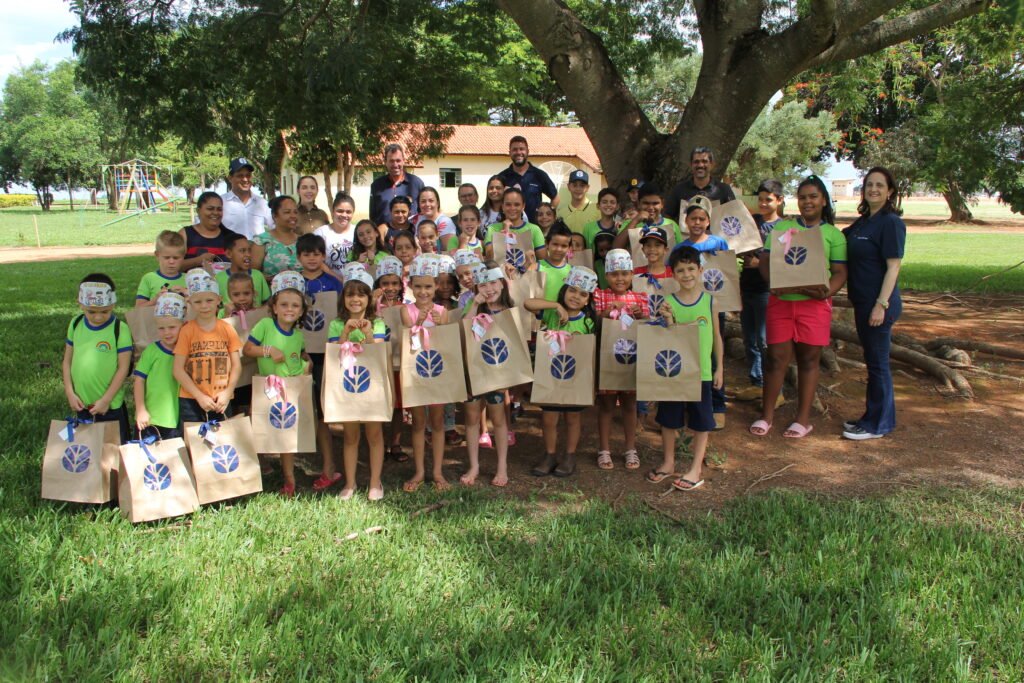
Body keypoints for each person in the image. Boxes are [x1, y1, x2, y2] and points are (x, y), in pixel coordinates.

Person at [751, 175, 848, 439]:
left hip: (814, 306)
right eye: (803, 197)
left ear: (823, 200)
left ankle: (802, 419)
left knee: (808, 360)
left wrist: (828, 290)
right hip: (781, 304)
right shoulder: (783, 231)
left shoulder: (832, 235)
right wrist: (774, 282)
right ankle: (767, 415)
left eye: (813, 196)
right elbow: (765, 262)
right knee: (775, 359)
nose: (807, 201)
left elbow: (839, 271)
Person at [648, 246, 724, 492]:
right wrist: (668, 319)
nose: (687, 274)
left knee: (701, 420)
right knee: (669, 418)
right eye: (681, 270)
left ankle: (695, 468)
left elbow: (716, 337)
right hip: (675, 372)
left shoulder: (710, 300)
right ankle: (669, 462)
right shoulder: (668, 302)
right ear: (673, 274)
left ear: (700, 270)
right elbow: (669, 337)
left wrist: (719, 368)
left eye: (691, 269)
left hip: (701, 371)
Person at [842, 166, 906, 441]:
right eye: (869, 185)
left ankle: (878, 425)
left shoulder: (890, 223)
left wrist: (881, 304)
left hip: (879, 305)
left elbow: (893, 267)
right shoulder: (863, 223)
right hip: (862, 302)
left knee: (879, 364)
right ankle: (871, 416)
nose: (873, 189)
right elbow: (836, 240)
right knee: (872, 362)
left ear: (890, 191)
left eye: (880, 185)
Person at [524, 265, 599, 478]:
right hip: (550, 378)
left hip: (575, 379)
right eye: (572, 290)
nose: (576, 296)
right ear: (564, 290)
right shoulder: (551, 313)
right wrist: (555, 305)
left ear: (588, 299)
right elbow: (527, 303)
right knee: (549, 418)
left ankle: (570, 455)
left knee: (573, 418)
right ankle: (549, 454)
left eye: (583, 294)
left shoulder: (588, 321)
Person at [242, 272, 311, 496]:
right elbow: (247, 350)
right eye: (284, 304)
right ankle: (254, 470)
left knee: (286, 433)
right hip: (265, 389)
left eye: (294, 306)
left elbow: (301, 356)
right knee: (257, 426)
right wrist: (269, 351)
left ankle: (289, 478)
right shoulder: (264, 325)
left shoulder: (298, 335)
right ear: (274, 307)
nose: (289, 309)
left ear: (301, 311)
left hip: (288, 390)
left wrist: (306, 363)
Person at [326, 269, 389, 500]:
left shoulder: (378, 322)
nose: (355, 299)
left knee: (374, 434)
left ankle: (375, 483)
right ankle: (350, 484)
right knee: (350, 436)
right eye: (350, 295)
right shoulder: (336, 324)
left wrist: (368, 334)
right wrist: (345, 332)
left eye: (361, 295)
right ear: (343, 299)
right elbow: (333, 353)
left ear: (369, 298)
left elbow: (378, 351)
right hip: (346, 387)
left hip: (370, 386)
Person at [460, 261, 515, 487]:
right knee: (471, 419)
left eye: (493, 282)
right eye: (483, 284)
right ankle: (474, 465)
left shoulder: (510, 310)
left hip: (498, 374)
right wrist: (475, 304)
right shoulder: (475, 306)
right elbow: (464, 327)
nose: (488, 288)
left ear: (502, 284)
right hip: (474, 372)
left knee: (499, 420)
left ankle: (502, 467)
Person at [593, 249, 649, 471]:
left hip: (631, 361)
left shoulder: (640, 298)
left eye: (625, 273)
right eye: (614, 274)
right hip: (608, 359)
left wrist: (641, 315)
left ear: (632, 275)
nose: (620, 278)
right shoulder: (600, 296)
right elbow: (595, 325)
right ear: (606, 276)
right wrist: (606, 314)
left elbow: (648, 328)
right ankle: (604, 449)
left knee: (630, 404)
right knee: (606, 405)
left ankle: (630, 448)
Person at [400, 256, 451, 492]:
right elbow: (407, 341)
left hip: (438, 374)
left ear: (436, 287)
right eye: (418, 286)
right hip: (417, 375)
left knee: (438, 422)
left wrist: (440, 326)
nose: (423, 292)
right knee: (419, 423)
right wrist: (417, 322)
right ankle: (419, 470)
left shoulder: (443, 311)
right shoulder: (406, 311)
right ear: (411, 286)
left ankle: (438, 471)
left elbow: (445, 344)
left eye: (428, 286)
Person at [63, 275, 133, 442]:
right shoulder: (75, 323)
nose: (98, 317)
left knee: (114, 451)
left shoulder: (120, 329)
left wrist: (106, 400)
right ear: (80, 304)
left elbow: (123, 368)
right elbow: (67, 361)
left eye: (105, 311)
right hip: (81, 403)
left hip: (109, 405)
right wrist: (70, 392)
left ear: (113, 304)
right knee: (86, 450)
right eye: (91, 311)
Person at [173, 269, 242, 425]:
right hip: (191, 399)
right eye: (198, 302)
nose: (204, 306)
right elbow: (178, 369)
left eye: (209, 300)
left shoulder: (227, 328)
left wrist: (228, 392)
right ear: (189, 302)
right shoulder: (186, 331)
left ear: (219, 300)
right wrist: (199, 396)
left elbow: (236, 365)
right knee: (195, 445)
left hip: (221, 399)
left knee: (222, 445)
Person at [738, 180, 785, 396]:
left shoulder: (784, 228)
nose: (764, 203)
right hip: (746, 287)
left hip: (768, 291)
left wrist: (760, 264)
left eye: (769, 199)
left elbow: (789, 262)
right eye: (761, 199)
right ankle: (757, 382)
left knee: (764, 340)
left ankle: (774, 387)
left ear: (779, 200)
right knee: (749, 340)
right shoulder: (752, 222)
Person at [371, 256, 409, 462]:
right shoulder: (371, 306)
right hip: (377, 363)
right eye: (385, 283)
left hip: (398, 363)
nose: (390, 288)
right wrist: (371, 300)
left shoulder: (405, 306)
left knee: (397, 406)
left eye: (395, 283)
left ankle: (395, 442)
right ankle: (378, 443)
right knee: (379, 403)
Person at [133, 293, 186, 440]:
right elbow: (139, 380)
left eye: (172, 327)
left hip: (177, 416)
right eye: (161, 328)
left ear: (183, 325)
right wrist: (141, 409)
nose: (167, 332)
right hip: (152, 417)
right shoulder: (152, 350)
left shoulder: (186, 351)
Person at [663, 147, 737, 223]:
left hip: (715, 234)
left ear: (712, 165)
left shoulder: (724, 189)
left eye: (704, 161)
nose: (700, 165)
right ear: (691, 164)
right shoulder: (679, 190)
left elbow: (735, 216)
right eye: (696, 162)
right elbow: (667, 217)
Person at [496, 135, 559, 223]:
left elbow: (555, 198)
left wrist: (548, 217)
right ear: (510, 152)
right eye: (514, 149)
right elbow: (495, 202)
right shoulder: (502, 177)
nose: (518, 152)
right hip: (510, 229)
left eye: (522, 149)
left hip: (535, 228)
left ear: (527, 151)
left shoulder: (539, 175)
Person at [483, 187, 546, 273]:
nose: (512, 208)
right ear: (503, 206)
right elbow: (490, 258)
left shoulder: (534, 229)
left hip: (526, 281)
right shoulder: (493, 229)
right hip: (501, 282)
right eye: (508, 204)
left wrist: (524, 268)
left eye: (517, 204)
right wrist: (505, 232)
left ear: (523, 206)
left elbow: (542, 261)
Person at [180, 192, 242, 271]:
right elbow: (172, 265)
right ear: (198, 210)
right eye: (210, 209)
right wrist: (197, 261)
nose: (215, 213)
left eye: (219, 209)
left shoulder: (230, 237)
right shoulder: (185, 234)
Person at [611, 184, 683, 251]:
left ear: (662, 204)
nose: (651, 207)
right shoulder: (629, 224)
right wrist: (635, 221)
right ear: (639, 204)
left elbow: (680, 251)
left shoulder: (672, 224)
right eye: (646, 203)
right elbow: (616, 248)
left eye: (655, 203)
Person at [369, 143, 424, 230]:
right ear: (385, 162)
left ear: (403, 161)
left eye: (398, 160)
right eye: (391, 161)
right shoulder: (376, 186)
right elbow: (373, 217)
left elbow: (423, 213)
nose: (395, 165)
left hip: (410, 239)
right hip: (384, 239)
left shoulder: (416, 183)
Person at [220, 157, 273, 239]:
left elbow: (276, 226)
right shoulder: (221, 203)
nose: (245, 179)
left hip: (257, 251)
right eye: (240, 176)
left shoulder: (262, 203)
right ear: (230, 178)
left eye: (248, 175)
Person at [215, 233, 271, 309]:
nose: (248, 254)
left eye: (249, 250)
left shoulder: (258, 275)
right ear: (228, 254)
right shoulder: (218, 278)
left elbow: (267, 303)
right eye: (242, 251)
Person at [252, 195, 301, 280]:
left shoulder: (303, 241)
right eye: (287, 212)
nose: (293, 216)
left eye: (295, 212)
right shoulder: (262, 241)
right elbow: (253, 274)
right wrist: (278, 280)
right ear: (274, 216)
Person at [135, 231, 188, 306]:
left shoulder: (188, 279)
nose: (171, 261)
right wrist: (155, 300)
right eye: (166, 257)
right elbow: (138, 308)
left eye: (176, 258)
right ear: (157, 255)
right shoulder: (149, 278)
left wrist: (187, 295)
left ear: (183, 256)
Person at [314, 192, 357, 277]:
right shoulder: (321, 233)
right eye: (340, 211)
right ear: (333, 211)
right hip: (329, 283)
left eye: (348, 212)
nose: (344, 215)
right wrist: (338, 279)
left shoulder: (358, 231)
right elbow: (316, 260)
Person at [557, 169, 600, 234]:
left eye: (582, 186)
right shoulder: (561, 213)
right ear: (568, 187)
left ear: (587, 188)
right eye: (574, 185)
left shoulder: (597, 210)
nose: (578, 189)